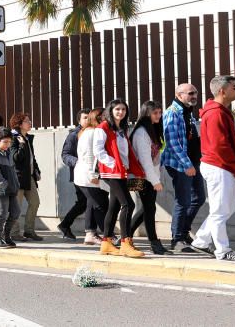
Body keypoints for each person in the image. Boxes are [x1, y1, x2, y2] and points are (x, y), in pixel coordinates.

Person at [191, 76, 235, 264]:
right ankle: (223, 251)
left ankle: (201, 241)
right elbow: (220, 146)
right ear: (222, 91)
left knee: (226, 208)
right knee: (220, 211)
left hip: (220, 165)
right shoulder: (216, 113)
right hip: (218, 165)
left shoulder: (219, 111)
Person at [94, 99, 144, 258]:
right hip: (111, 172)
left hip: (122, 171)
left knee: (114, 206)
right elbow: (98, 151)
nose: (120, 112)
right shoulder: (103, 127)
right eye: (117, 109)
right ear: (110, 110)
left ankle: (106, 243)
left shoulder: (121, 129)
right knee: (128, 204)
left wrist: (131, 168)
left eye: (123, 109)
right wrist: (113, 163)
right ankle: (125, 243)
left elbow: (126, 151)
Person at [161, 83, 204, 252]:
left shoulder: (187, 112)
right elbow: (172, 143)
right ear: (179, 95)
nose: (194, 96)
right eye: (191, 93)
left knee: (199, 198)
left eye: (196, 93)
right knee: (183, 200)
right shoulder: (172, 113)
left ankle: (184, 232)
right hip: (181, 164)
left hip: (193, 162)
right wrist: (187, 165)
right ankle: (177, 239)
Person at [129, 101, 172, 255]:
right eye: (155, 113)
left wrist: (155, 177)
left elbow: (156, 158)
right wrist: (156, 181)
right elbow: (145, 160)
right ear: (147, 113)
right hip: (140, 176)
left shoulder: (152, 129)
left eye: (160, 113)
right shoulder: (141, 132)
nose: (159, 116)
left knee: (147, 208)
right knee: (149, 209)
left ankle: (125, 236)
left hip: (149, 176)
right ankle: (154, 243)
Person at [73, 108, 107, 245]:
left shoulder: (87, 131)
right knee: (100, 204)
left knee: (93, 203)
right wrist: (94, 175)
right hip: (89, 175)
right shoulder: (93, 132)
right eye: (104, 116)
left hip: (86, 174)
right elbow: (91, 156)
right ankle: (108, 235)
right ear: (98, 118)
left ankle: (91, 234)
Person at [58, 109, 91, 240]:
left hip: (92, 175)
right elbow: (65, 155)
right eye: (85, 118)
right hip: (80, 175)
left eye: (89, 118)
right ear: (79, 120)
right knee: (88, 202)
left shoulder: (93, 132)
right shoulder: (74, 135)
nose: (87, 120)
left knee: (85, 203)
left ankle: (65, 225)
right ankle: (95, 232)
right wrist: (78, 162)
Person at [9, 113, 42, 242]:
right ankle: (14, 233)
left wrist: (36, 170)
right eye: (27, 121)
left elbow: (32, 157)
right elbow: (15, 158)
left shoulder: (27, 138)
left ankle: (29, 231)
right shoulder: (13, 138)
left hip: (29, 177)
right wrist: (21, 145)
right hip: (18, 178)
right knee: (16, 206)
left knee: (35, 202)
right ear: (19, 124)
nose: (30, 122)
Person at [0, 127, 20, 249]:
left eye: (9, 142)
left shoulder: (8, 153)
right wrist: (5, 186)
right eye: (5, 142)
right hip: (0, 190)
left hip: (11, 189)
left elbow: (13, 171)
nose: (8, 144)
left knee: (15, 212)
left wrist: (15, 185)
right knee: (1, 213)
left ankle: (6, 235)